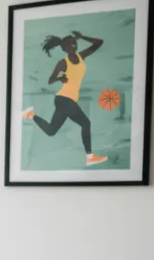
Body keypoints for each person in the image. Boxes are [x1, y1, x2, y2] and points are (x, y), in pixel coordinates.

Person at [21, 30, 108, 166]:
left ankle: (31, 115)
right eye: (71, 44)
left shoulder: (81, 56)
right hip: (64, 99)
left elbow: (99, 43)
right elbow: (50, 80)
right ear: (65, 49)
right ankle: (90, 157)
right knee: (86, 123)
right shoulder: (63, 63)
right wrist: (60, 77)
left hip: (67, 100)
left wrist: (83, 36)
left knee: (51, 131)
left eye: (75, 43)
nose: (74, 45)